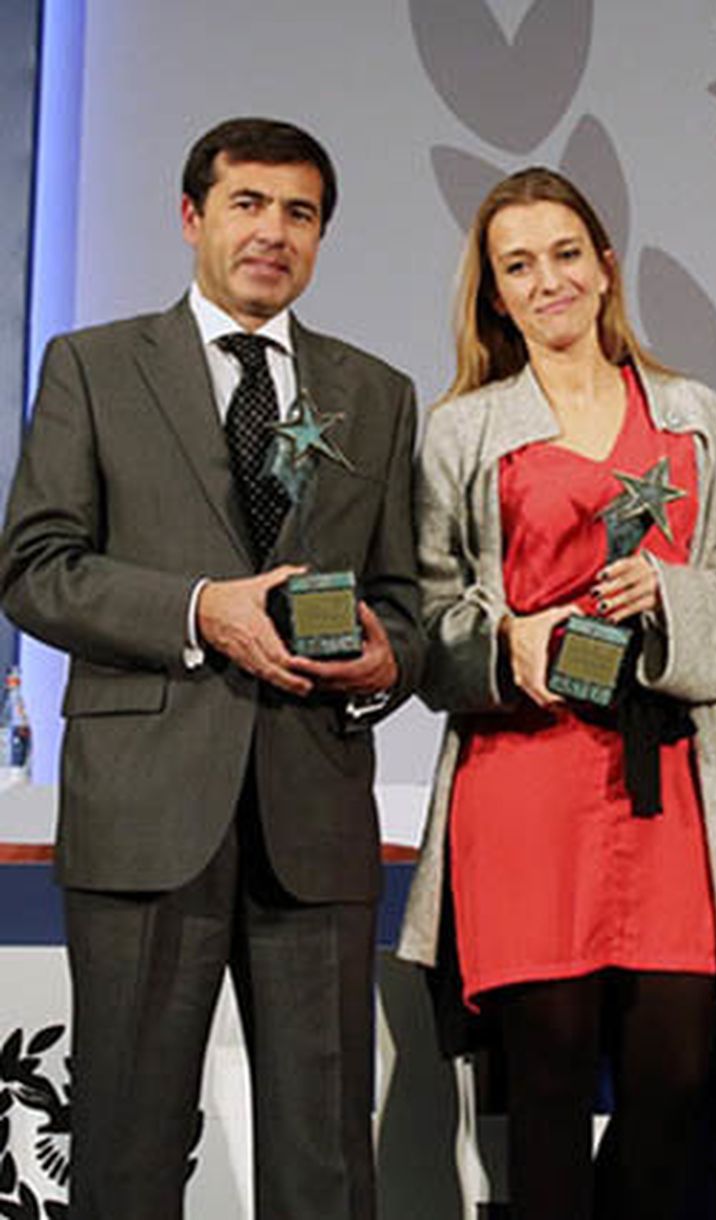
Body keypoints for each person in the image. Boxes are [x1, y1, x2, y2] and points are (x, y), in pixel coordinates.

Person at [0, 117, 422, 1218]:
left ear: (321, 237)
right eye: (247, 204)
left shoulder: (373, 390)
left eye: (299, 213)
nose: (271, 233)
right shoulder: (91, 365)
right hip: (145, 807)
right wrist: (200, 610)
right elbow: (37, 569)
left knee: (325, 1159)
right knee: (128, 1151)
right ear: (193, 217)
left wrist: (389, 653)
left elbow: (405, 598)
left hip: (313, 810)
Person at [395, 167, 716, 1220]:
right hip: (522, 780)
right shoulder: (461, 429)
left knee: (675, 1074)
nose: (546, 279)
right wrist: (508, 639)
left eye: (565, 253)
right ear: (494, 296)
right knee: (546, 1082)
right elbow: (427, 624)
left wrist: (674, 597)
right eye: (518, 265)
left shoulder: (693, 413)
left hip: (665, 783)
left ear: (606, 268)